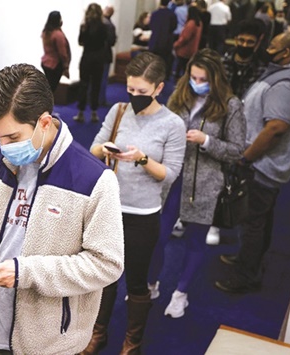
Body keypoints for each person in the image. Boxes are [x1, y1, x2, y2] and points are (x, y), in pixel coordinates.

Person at [0, 63, 124, 354]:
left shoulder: (94, 180)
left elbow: (106, 264)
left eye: (12, 138)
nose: (3, 146)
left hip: (47, 343)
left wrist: (26, 273)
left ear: (44, 123)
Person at [82, 52, 186, 354]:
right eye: (131, 90)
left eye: (142, 91)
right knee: (104, 275)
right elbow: (93, 150)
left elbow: (169, 174)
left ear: (158, 88)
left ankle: (132, 342)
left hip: (143, 214)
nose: (135, 96)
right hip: (110, 208)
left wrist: (140, 158)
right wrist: (107, 149)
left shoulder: (172, 124)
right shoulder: (118, 110)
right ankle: (97, 334)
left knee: (138, 281)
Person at [154, 48, 247, 318]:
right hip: (173, 178)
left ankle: (180, 293)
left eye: (203, 78)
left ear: (215, 79)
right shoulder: (180, 96)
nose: (197, 82)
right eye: (193, 76)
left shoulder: (230, 106)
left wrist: (206, 141)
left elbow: (237, 150)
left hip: (205, 185)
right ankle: (151, 284)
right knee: (158, 236)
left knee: (195, 242)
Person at [215, 33, 290, 294]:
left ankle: (246, 274)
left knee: (253, 221)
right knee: (259, 219)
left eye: (273, 47)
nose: (267, 49)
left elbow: (276, 126)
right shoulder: (285, 76)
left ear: (286, 54)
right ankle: (249, 260)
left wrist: (246, 157)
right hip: (264, 163)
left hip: (263, 165)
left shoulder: (284, 85)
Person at [74, 3, 108, 123]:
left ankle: (81, 112)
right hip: (98, 59)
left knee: (84, 84)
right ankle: (94, 112)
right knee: (96, 85)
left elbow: (80, 41)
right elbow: (107, 41)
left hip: (87, 58)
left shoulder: (84, 26)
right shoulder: (104, 26)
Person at [222, 19, 268, 98]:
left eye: (250, 42)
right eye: (241, 40)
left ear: (257, 44)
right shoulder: (222, 63)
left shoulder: (261, 70)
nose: (244, 45)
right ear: (236, 40)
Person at [40, 11, 71, 93]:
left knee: (48, 87)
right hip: (55, 64)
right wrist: (66, 65)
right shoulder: (58, 34)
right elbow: (62, 53)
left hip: (45, 62)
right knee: (51, 89)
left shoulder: (45, 32)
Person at [149, 0, 178, 79]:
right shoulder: (172, 14)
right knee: (165, 61)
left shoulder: (154, 14)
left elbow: (151, 26)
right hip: (166, 42)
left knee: (154, 61)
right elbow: (174, 27)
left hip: (154, 41)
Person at [173, 6, 202, 80]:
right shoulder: (199, 23)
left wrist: (176, 44)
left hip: (184, 50)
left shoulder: (190, 24)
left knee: (179, 69)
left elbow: (184, 38)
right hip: (193, 49)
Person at [99, 6, 117, 106]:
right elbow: (112, 41)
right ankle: (101, 100)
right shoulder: (110, 25)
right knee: (103, 79)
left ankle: (92, 99)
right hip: (105, 55)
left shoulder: (97, 23)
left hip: (96, 55)